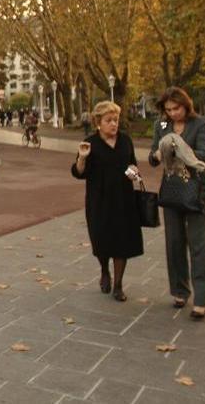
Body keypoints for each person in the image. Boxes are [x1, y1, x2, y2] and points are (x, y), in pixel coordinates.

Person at [149, 86, 205, 320]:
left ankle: (200, 298)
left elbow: (204, 154)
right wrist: (158, 153)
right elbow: (153, 157)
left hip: (196, 188)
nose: (172, 114)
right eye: (167, 110)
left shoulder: (200, 123)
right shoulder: (163, 125)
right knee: (174, 242)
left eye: (176, 108)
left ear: (185, 105)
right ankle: (179, 290)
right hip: (172, 189)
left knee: (199, 244)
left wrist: (178, 148)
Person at [72, 101, 143, 301]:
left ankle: (119, 285)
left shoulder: (125, 141)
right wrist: (82, 158)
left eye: (116, 120)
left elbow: (132, 165)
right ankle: (104, 270)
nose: (113, 124)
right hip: (99, 201)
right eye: (108, 120)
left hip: (123, 200)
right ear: (98, 123)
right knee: (102, 241)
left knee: (122, 243)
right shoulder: (89, 143)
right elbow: (78, 173)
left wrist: (133, 172)